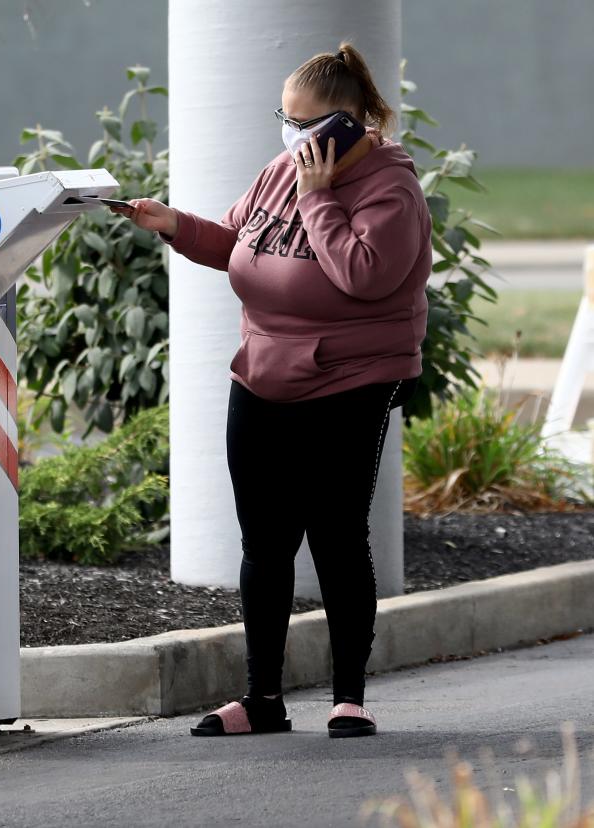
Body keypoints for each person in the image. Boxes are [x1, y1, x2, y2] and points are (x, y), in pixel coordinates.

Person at [114, 41, 431, 738]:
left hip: (348, 380)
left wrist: (318, 200)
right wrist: (173, 224)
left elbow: (364, 275)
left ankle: (349, 695)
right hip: (263, 371)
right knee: (264, 543)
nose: (291, 137)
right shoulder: (278, 172)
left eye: (305, 124)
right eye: (285, 120)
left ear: (349, 125)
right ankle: (263, 701)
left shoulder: (391, 189)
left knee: (338, 539)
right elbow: (235, 242)